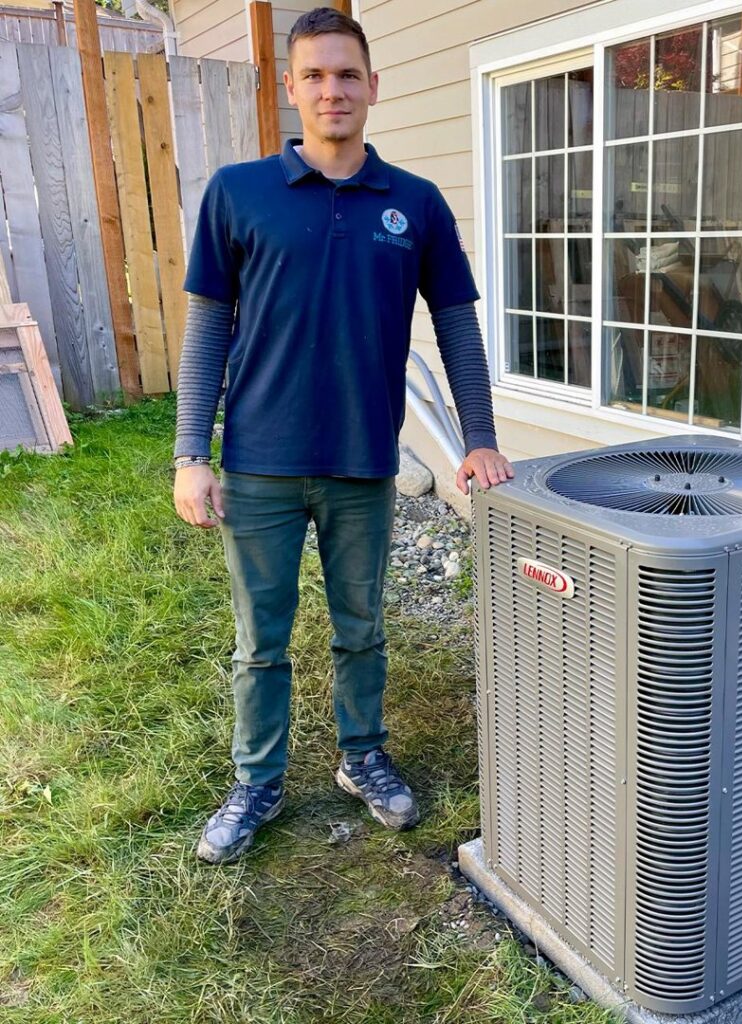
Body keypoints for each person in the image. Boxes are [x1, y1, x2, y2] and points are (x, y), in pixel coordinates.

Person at [172, 7, 513, 864]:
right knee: (264, 639)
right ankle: (259, 779)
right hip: (259, 465)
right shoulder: (238, 194)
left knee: (361, 624)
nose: (333, 90)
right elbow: (208, 331)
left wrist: (479, 437)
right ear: (291, 89)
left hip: (367, 461)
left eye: (347, 75)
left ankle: (362, 756)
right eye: (315, 75)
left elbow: (458, 327)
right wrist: (190, 456)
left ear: (372, 88)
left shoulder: (415, 205)